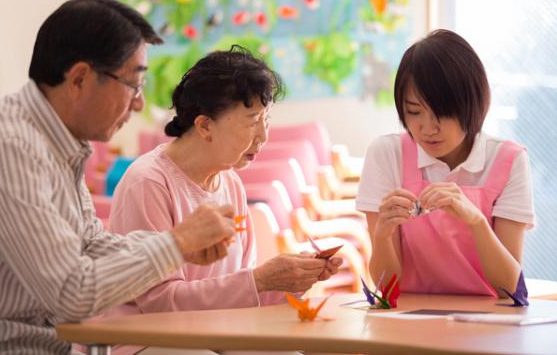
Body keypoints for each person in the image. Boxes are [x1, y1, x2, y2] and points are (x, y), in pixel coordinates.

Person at [0, 0, 236, 355]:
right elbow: (72, 294)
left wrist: (178, 248)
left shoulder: (54, 144)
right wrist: (176, 244)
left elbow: (90, 245)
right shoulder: (9, 149)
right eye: (133, 85)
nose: (138, 103)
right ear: (79, 79)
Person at [106, 46, 342, 355]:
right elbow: (160, 304)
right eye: (252, 120)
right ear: (205, 126)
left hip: (213, 332)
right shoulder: (148, 182)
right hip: (146, 339)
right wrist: (259, 280)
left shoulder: (230, 181)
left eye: (266, 119)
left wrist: (289, 279)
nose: (263, 135)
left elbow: (237, 292)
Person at [355, 29, 535, 296]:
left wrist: (476, 221)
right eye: (414, 112)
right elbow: (387, 289)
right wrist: (381, 235)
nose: (427, 128)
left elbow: (509, 288)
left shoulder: (509, 160)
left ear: (473, 104)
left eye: (442, 113)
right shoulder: (386, 153)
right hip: (410, 322)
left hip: (487, 325)